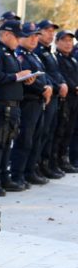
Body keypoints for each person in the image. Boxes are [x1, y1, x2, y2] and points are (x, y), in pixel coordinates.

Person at [0, 19, 36, 196]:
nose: (18, 40)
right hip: (2, 105)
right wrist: (16, 76)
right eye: (16, 36)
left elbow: (12, 78)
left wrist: (25, 79)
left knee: (7, 145)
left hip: (14, 105)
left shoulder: (11, 53)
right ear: (5, 34)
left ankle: (4, 178)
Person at [12, 21, 52, 188]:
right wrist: (43, 88)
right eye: (29, 36)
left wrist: (48, 85)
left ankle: (30, 171)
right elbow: (28, 79)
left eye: (36, 35)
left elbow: (44, 74)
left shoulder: (33, 55)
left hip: (39, 102)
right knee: (25, 140)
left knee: (37, 138)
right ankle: (18, 174)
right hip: (28, 102)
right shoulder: (19, 55)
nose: (34, 39)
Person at [33, 20, 67, 179]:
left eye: (52, 31)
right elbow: (44, 74)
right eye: (47, 30)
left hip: (54, 96)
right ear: (38, 32)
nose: (51, 34)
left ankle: (44, 164)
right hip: (45, 96)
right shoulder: (38, 51)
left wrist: (61, 83)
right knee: (42, 133)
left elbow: (55, 72)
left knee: (50, 132)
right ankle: (36, 165)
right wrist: (57, 85)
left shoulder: (49, 51)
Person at [54, 30, 78, 173]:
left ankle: (63, 159)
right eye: (65, 40)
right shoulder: (56, 58)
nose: (68, 43)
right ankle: (55, 161)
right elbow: (60, 76)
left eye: (70, 41)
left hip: (74, 99)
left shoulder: (72, 59)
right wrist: (74, 86)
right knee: (60, 131)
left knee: (69, 130)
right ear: (57, 42)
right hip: (64, 99)